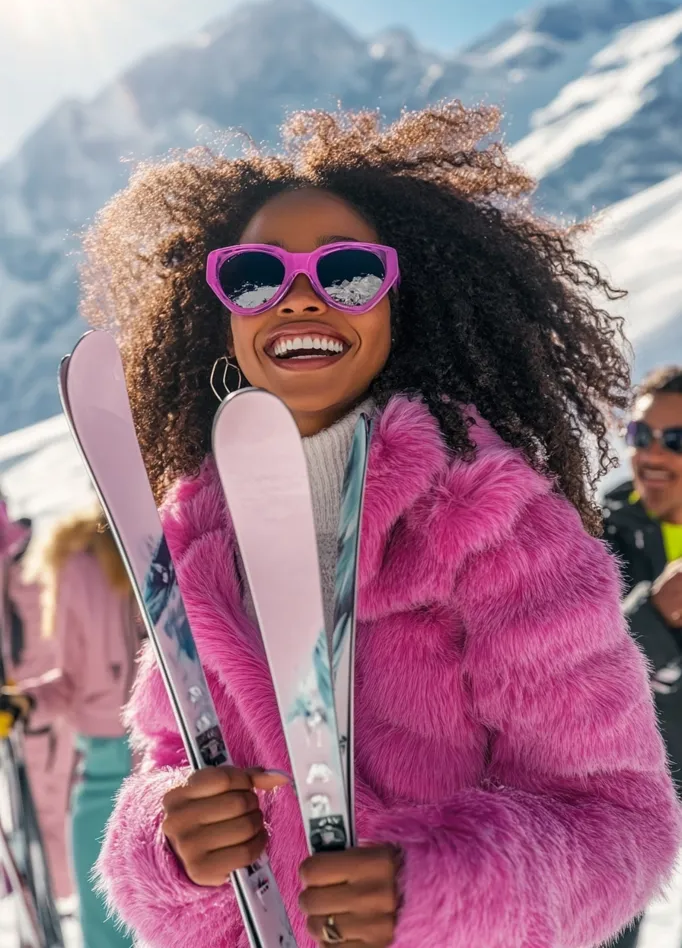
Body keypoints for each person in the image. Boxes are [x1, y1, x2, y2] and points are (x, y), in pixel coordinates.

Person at [84, 102, 680, 948]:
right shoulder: (196, 538)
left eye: (350, 273)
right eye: (255, 276)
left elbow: (619, 821)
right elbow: (168, 763)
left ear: (405, 302)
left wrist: (435, 891)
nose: (299, 300)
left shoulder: (496, 528)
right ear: (221, 310)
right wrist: (170, 846)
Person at [12, 504, 141, 948]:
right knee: (103, 919)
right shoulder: (75, 561)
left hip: (170, 755)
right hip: (100, 771)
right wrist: (26, 703)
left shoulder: (166, 537)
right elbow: (67, 677)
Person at [603, 365, 682, 948]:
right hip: (623, 794)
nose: (652, 454)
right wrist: (654, 617)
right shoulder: (599, 530)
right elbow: (579, 665)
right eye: (640, 435)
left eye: (675, 440)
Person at [1, 510, 75, 905]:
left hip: (34, 718)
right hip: (29, 717)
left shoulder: (30, 575)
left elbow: (51, 659)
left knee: (48, 807)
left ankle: (48, 892)